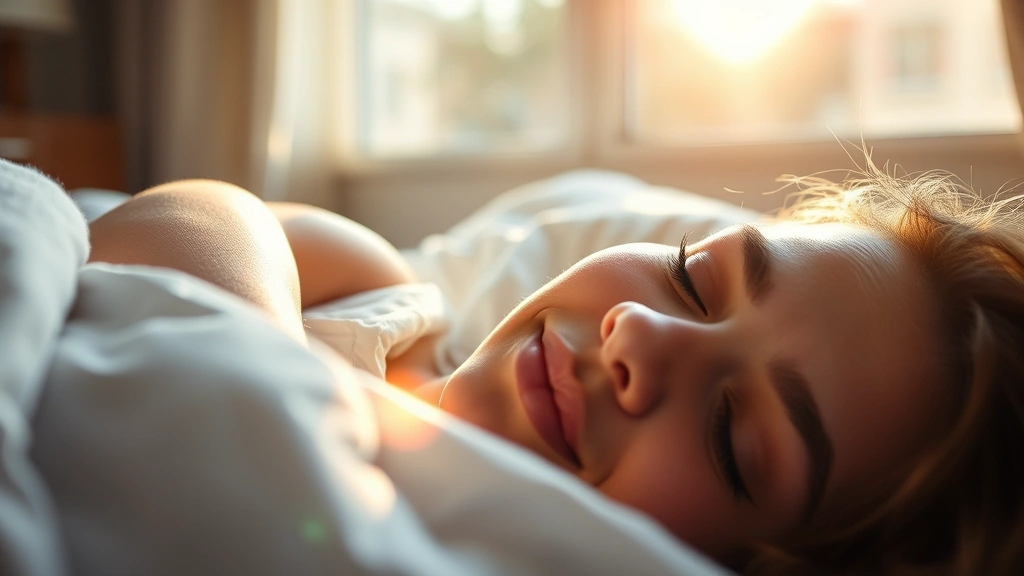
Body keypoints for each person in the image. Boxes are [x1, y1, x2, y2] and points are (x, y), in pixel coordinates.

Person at [87, 160, 1024, 575]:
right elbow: (199, 215)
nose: (637, 336)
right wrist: (271, 403)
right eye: (694, 279)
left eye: (734, 439)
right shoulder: (394, 305)